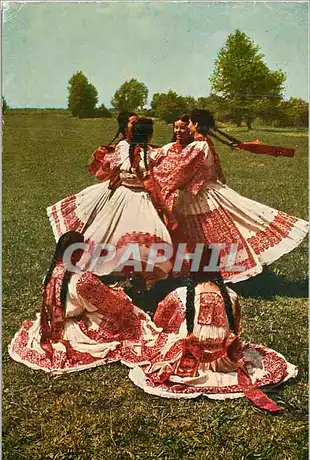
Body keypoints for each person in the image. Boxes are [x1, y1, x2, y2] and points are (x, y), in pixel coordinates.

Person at [152, 109, 309, 283]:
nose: (186, 127)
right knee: (206, 233)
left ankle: (221, 271)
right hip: (200, 194)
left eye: (188, 123)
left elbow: (179, 170)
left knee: (214, 233)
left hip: (205, 194)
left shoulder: (199, 146)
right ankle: (200, 270)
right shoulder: (200, 143)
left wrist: (152, 174)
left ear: (195, 124)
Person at [129, 269, 297, 412]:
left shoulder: (180, 294)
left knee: (168, 338)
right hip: (224, 359)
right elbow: (235, 329)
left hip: (189, 359)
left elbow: (161, 320)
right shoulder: (231, 295)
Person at [8, 231, 162, 373]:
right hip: (72, 329)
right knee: (127, 313)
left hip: (52, 325)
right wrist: (122, 293)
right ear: (77, 253)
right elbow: (110, 303)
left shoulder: (52, 272)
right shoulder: (82, 280)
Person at [47, 118, 174, 280]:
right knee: (145, 235)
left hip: (121, 195)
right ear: (150, 136)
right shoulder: (154, 155)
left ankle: (113, 269)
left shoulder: (122, 148)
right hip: (142, 198)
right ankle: (139, 273)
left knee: (108, 231)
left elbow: (108, 165)